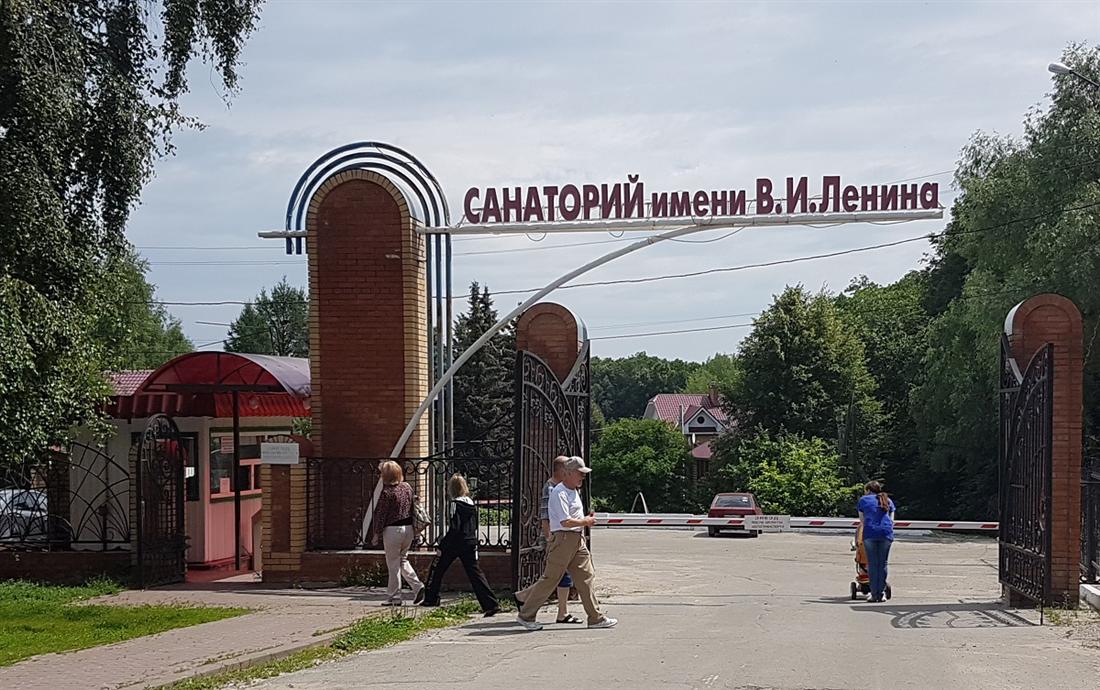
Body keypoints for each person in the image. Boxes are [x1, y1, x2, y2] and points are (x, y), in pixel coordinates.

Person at [517, 456, 616, 631]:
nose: (583, 477)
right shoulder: (559, 493)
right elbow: (565, 522)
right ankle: (526, 615)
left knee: (586, 577)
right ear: (567, 473)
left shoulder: (573, 491)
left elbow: (573, 519)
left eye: (584, 473)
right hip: (563, 539)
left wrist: (583, 523)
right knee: (551, 579)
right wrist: (585, 521)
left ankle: (596, 618)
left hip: (576, 540)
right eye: (580, 473)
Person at [419, 474, 501, 616]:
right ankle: (491, 604)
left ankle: (431, 598)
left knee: (437, 567)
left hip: (455, 542)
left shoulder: (454, 504)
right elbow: (474, 525)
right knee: (475, 573)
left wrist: (443, 544)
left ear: (451, 488)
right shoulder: (471, 504)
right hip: (470, 541)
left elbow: (454, 527)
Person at [514, 456, 582, 624]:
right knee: (555, 576)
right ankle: (532, 606)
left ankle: (557, 610)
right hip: (557, 537)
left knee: (557, 575)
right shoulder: (552, 488)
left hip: (565, 537)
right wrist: (549, 537)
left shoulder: (567, 487)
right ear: (562, 470)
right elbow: (546, 515)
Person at [371, 461, 424, 606]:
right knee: (403, 560)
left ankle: (394, 597)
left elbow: (381, 515)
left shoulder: (387, 492)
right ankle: (418, 586)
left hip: (393, 530)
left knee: (393, 564)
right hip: (408, 529)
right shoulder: (407, 487)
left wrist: (376, 533)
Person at [857, 480, 895, 603]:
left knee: (872, 564)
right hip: (886, 533)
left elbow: (862, 521)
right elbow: (891, 521)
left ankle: (874, 594)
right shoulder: (887, 500)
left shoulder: (863, 500)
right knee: (883, 563)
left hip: (870, 533)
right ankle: (882, 594)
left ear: (868, 490)